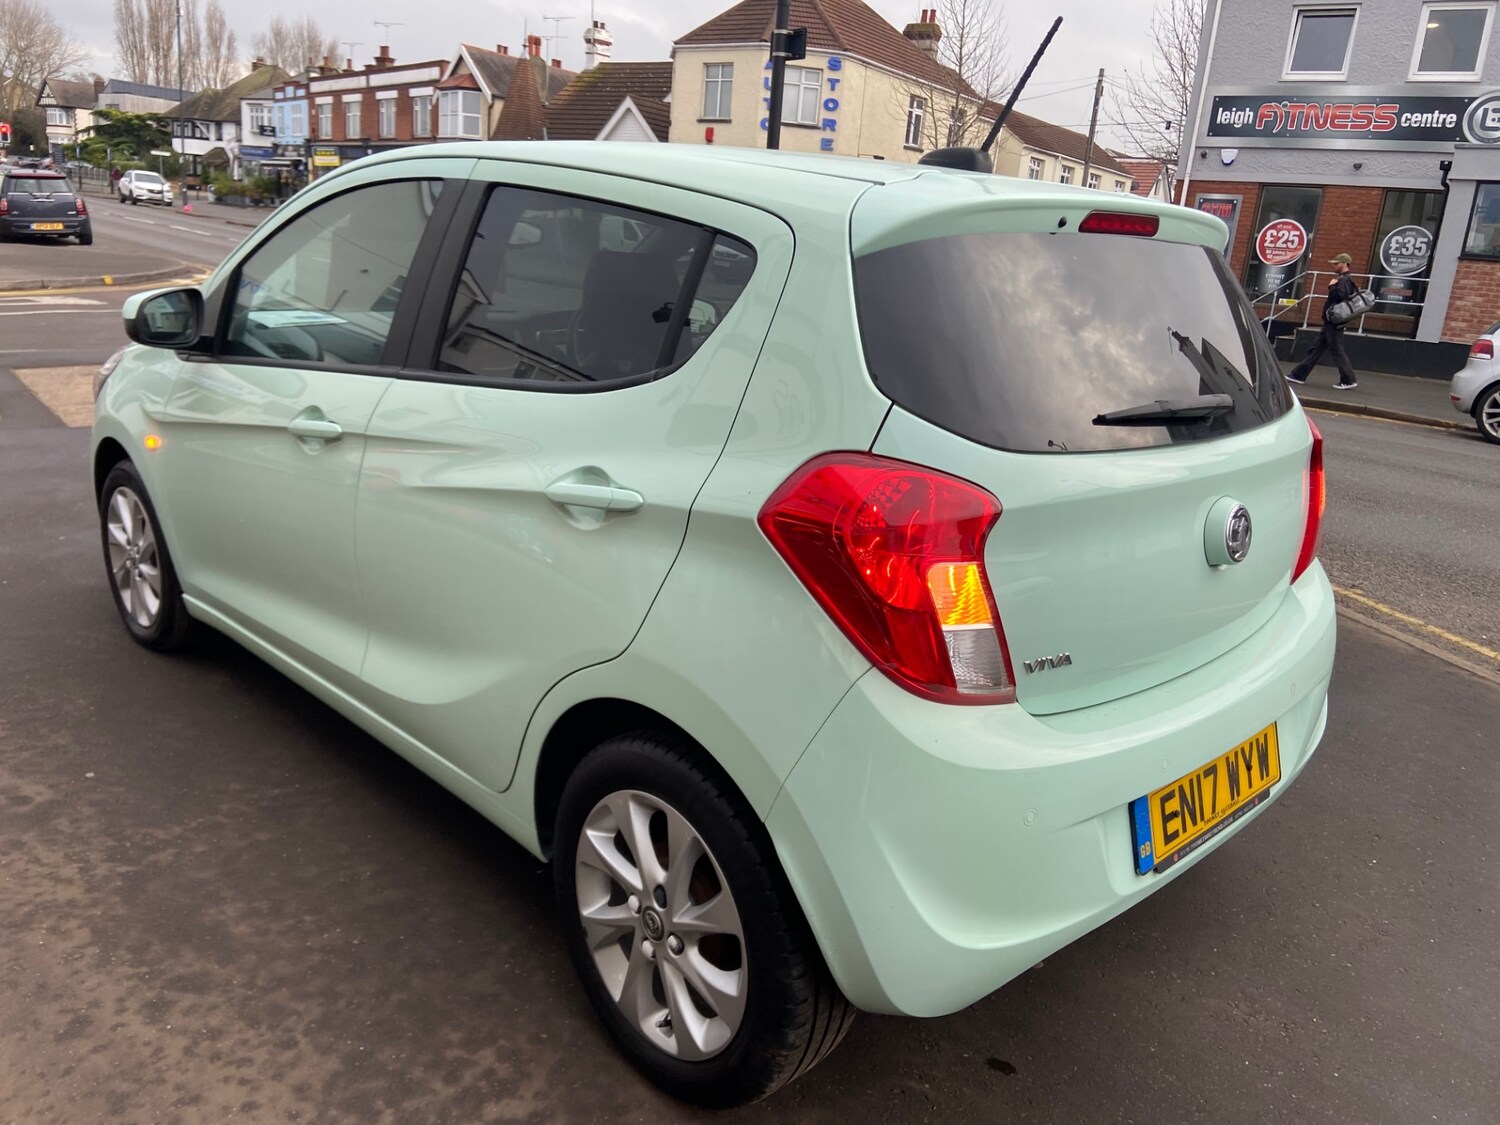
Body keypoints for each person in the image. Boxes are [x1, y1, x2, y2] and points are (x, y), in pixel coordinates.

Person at [1286, 253, 1360, 389]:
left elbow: (1340, 297)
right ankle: (1298, 375)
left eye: (1336, 264)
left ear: (1344, 264)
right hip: (1331, 321)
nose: (1334, 266)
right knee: (1316, 350)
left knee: (1337, 350)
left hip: (1334, 322)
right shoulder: (1346, 280)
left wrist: (1331, 286)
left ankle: (1349, 380)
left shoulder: (1344, 280)